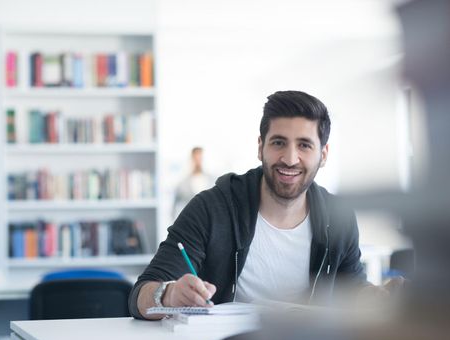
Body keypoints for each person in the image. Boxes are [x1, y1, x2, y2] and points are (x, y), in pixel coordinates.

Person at [129, 90, 402, 320]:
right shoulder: (210, 208)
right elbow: (140, 296)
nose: (290, 158)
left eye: (305, 145)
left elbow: (352, 291)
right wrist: (168, 294)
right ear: (261, 147)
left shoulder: (338, 217)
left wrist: (377, 298)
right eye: (279, 142)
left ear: (323, 154)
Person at [171, 147, 214, 220]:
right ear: (191, 160)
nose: (198, 162)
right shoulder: (182, 184)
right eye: (195, 159)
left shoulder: (213, 181)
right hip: (190, 225)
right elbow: (173, 209)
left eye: (200, 158)